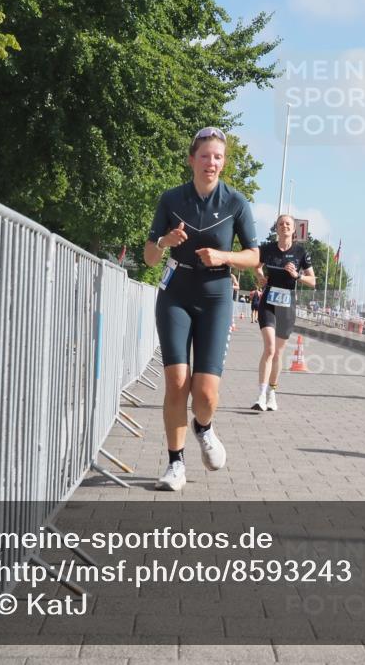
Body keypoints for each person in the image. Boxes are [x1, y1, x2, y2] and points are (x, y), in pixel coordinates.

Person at [144, 126, 259, 491]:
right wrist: (165, 241)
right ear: (192, 159)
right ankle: (175, 463)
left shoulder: (236, 203)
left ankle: (204, 427)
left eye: (218, 157)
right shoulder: (171, 199)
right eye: (206, 155)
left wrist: (223, 255)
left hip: (216, 296)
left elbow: (254, 256)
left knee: (205, 394)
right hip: (176, 293)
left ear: (224, 164)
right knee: (177, 383)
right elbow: (149, 258)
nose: (212, 163)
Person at [252, 214, 316, 411]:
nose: (284, 227)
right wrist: (260, 276)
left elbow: (313, 281)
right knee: (269, 348)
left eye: (288, 224)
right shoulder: (267, 249)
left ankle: (272, 392)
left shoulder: (300, 252)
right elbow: (256, 266)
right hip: (269, 301)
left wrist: (297, 275)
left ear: (294, 229)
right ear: (276, 229)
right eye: (281, 224)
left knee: (278, 352)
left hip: (287, 303)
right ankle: (261, 395)